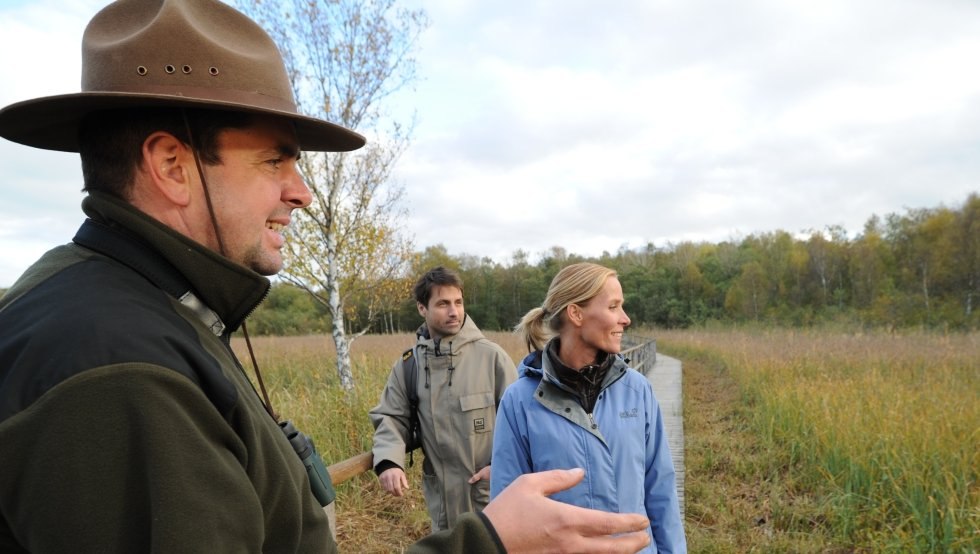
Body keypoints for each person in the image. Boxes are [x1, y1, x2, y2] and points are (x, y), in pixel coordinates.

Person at [0, 1, 653, 552]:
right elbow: (394, 413)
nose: (301, 192)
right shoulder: (118, 373)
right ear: (172, 165)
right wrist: (490, 543)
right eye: (274, 161)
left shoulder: (148, 312)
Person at [491, 262, 687, 553]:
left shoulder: (638, 391)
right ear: (576, 314)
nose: (626, 319)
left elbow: (661, 492)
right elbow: (509, 510)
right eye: (613, 307)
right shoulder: (519, 402)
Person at [370, 267, 518, 532]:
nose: (454, 312)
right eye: (443, 304)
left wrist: (499, 468)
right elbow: (390, 417)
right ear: (422, 308)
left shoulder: (492, 357)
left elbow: (522, 423)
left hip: (492, 500)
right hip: (441, 508)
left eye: (458, 302)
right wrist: (389, 461)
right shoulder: (409, 365)